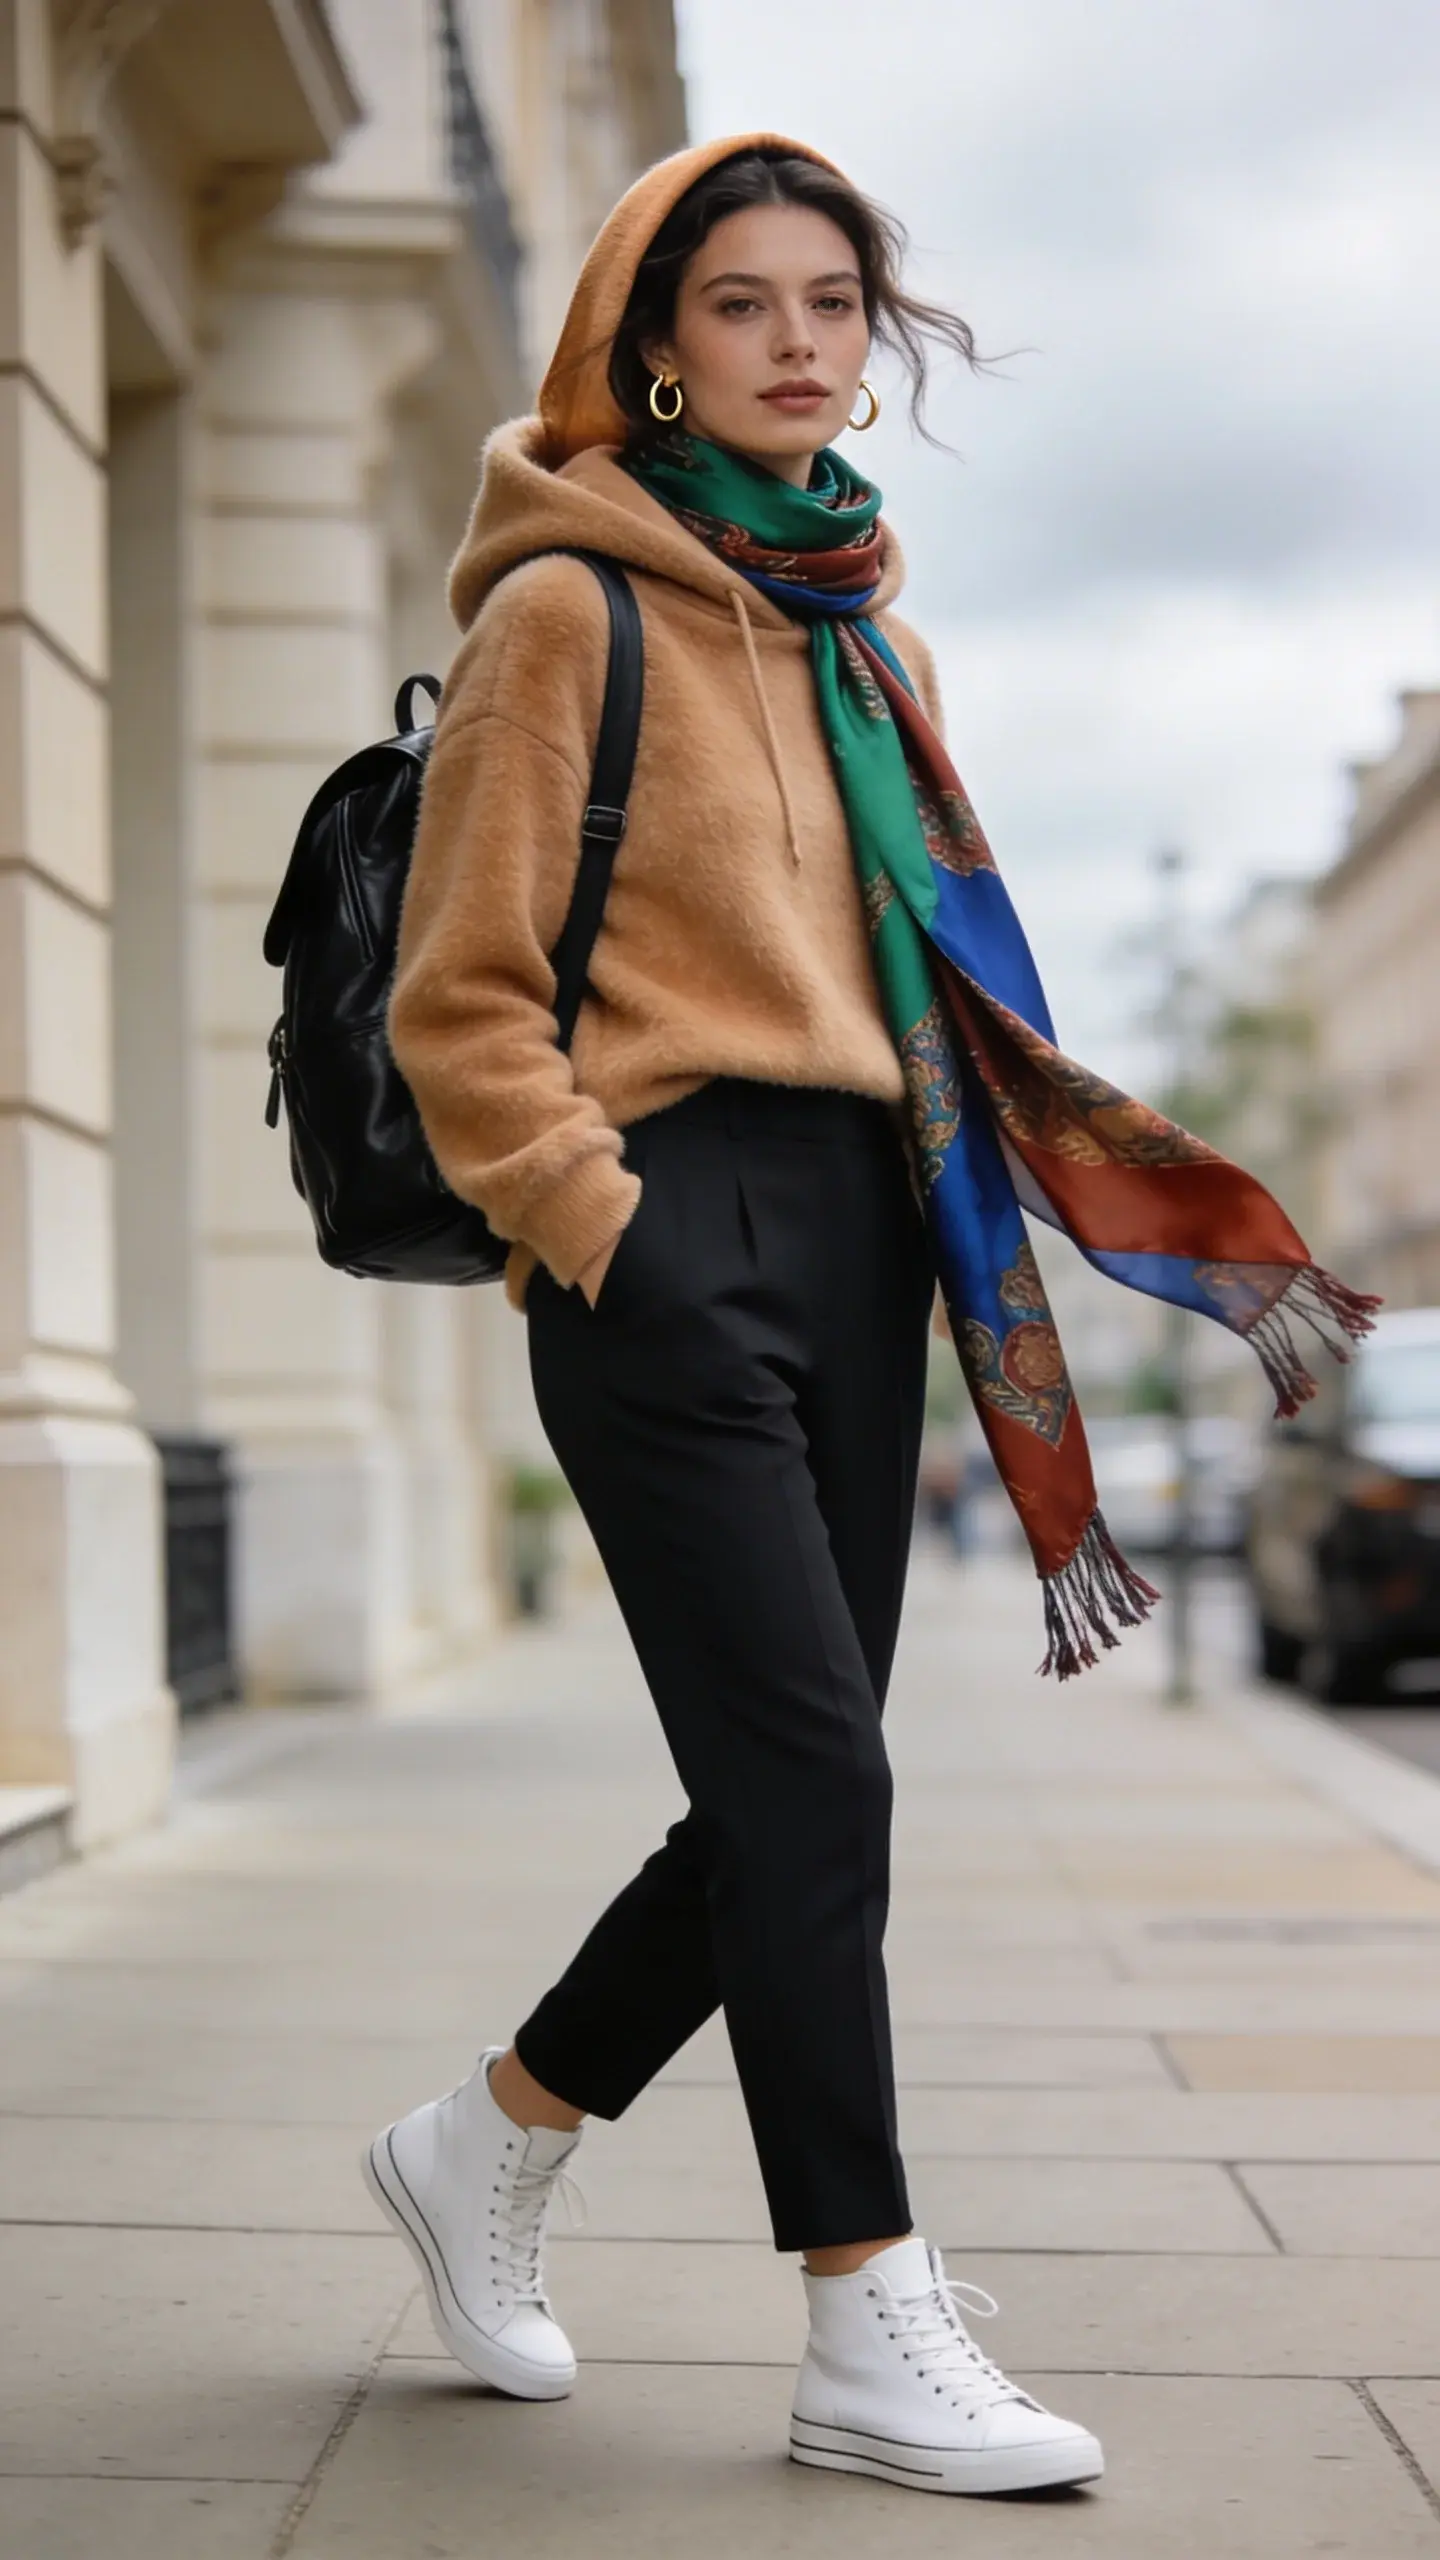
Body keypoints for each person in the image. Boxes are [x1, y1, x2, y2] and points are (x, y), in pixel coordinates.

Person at [372, 130, 1373, 2498]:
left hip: (870, 1235)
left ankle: (485, 2134)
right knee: (820, 1780)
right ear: (651, 342)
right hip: (665, 1228)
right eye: (745, 301)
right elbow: (465, 995)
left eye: (837, 299)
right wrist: (595, 1215)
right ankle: (864, 2316)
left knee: (791, 1791)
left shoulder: (868, 635)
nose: (804, 338)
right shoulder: (564, 614)